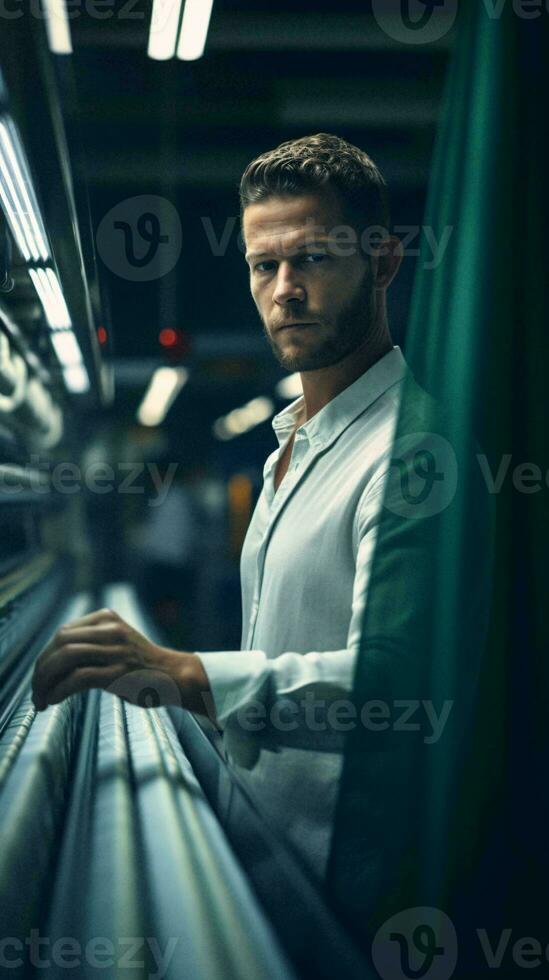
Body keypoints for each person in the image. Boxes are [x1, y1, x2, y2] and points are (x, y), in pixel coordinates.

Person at [32, 134, 430, 881]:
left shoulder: (410, 455)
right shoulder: (292, 444)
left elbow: (393, 688)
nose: (284, 289)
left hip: (349, 875)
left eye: (310, 258)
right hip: (271, 847)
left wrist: (182, 672)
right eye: (263, 265)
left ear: (380, 263)